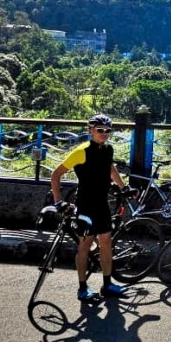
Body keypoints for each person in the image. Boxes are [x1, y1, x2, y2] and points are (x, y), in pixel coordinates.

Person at [50, 113, 128, 301]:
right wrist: (58, 201)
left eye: (108, 131)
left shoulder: (108, 149)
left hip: (102, 204)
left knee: (106, 242)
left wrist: (123, 187)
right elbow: (56, 174)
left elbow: (110, 169)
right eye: (100, 130)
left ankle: (107, 284)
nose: (104, 133)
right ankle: (82, 288)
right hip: (85, 205)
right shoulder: (81, 151)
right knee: (85, 245)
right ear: (91, 130)